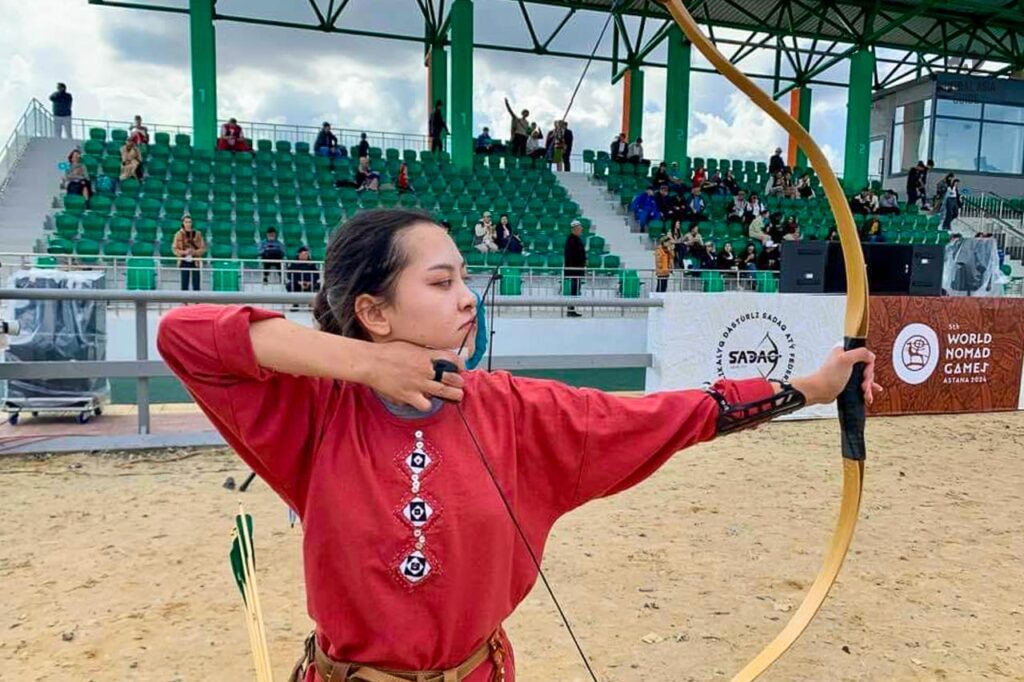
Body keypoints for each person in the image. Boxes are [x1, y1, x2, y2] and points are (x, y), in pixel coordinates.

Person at [156, 208, 880, 682]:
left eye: (465, 279)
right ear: (372, 312)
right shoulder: (314, 415)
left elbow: (673, 414)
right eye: (441, 282)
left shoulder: (519, 413)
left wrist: (812, 388)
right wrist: (364, 364)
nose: (467, 296)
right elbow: (182, 335)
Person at [172, 215, 206, 291]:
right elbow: (175, 249)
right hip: (183, 259)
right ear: (183, 223)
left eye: (189, 222)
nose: (188, 224)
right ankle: (184, 301)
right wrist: (184, 252)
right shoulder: (178, 234)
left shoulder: (198, 234)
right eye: (186, 222)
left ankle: (197, 301)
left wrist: (195, 252)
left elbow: (203, 248)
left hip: (195, 260)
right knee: (184, 282)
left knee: (196, 282)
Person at [564, 219, 587, 317]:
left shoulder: (575, 239)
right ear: (574, 229)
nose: (581, 229)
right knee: (573, 290)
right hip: (574, 270)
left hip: (577, 270)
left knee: (575, 290)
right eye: (579, 228)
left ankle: (572, 309)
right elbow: (572, 256)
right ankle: (570, 309)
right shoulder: (572, 240)